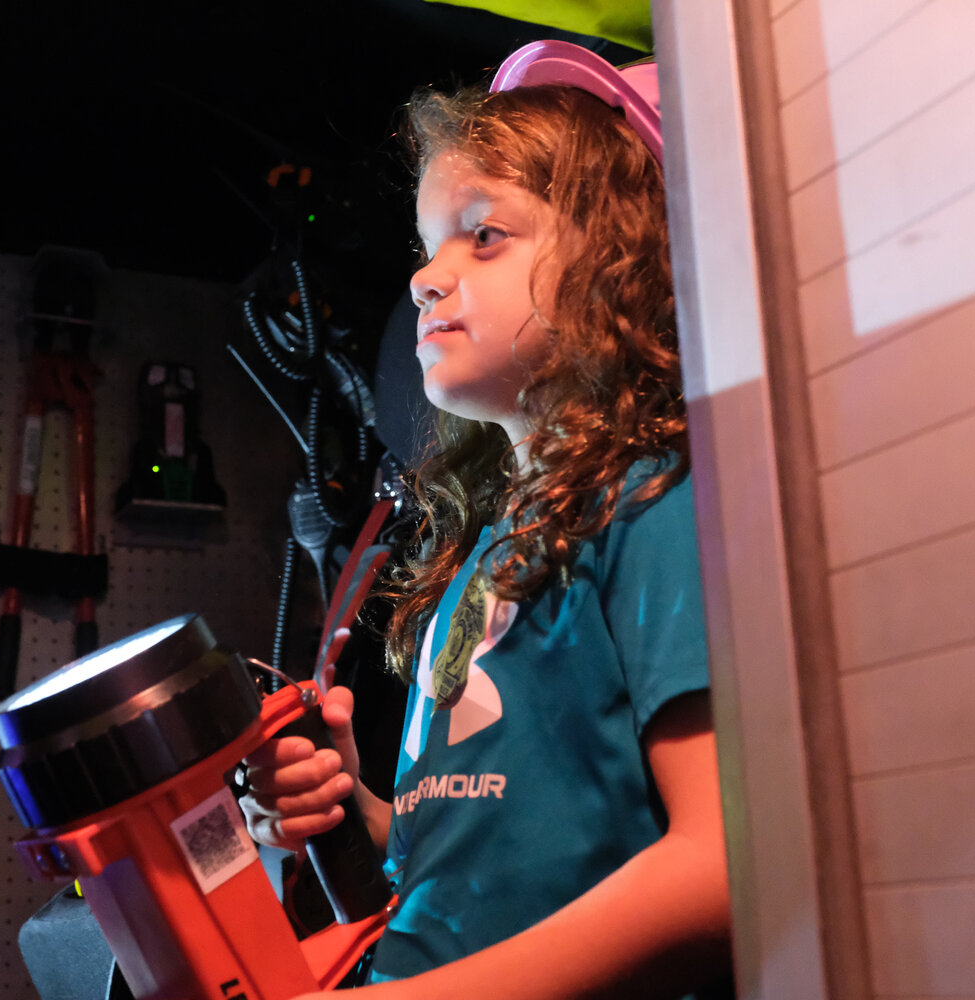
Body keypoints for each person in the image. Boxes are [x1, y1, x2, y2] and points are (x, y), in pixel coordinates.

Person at [240, 39, 732, 999]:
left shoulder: (652, 500)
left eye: (484, 235)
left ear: (626, 257)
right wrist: (353, 819)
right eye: (429, 248)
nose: (427, 278)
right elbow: (441, 893)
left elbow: (721, 871)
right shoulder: (484, 552)